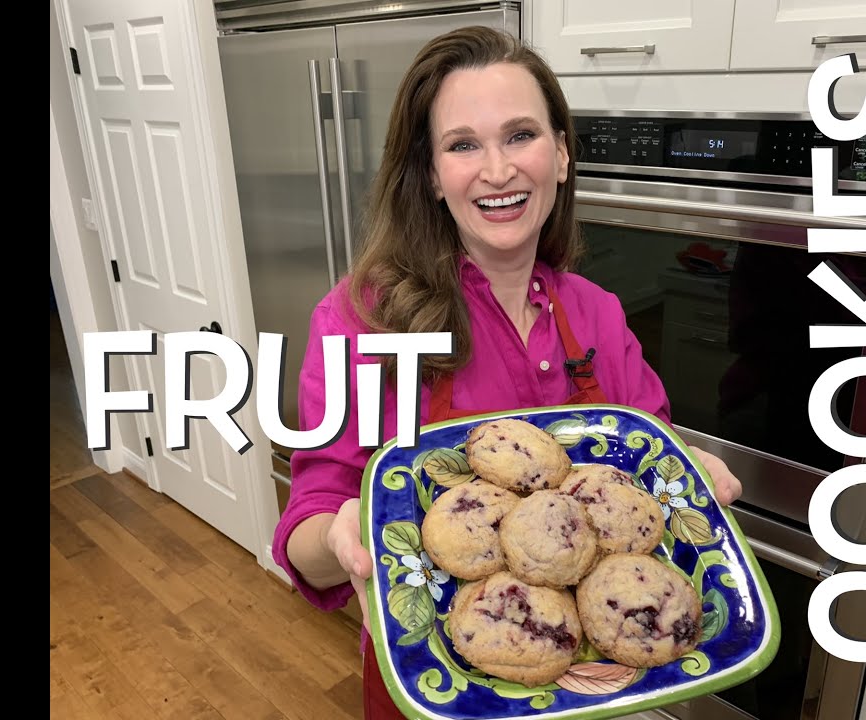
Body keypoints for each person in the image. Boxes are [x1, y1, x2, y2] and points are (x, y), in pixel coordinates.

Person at [271, 26, 744, 718]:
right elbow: (305, 533)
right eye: (462, 145)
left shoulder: (598, 313)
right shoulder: (361, 319)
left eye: (520, 135)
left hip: (595, 693)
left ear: (561, 154)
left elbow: (644, 471)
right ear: (431, 175)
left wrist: (684, 477)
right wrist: (341, 533)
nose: (497, 170)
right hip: (438, 694)